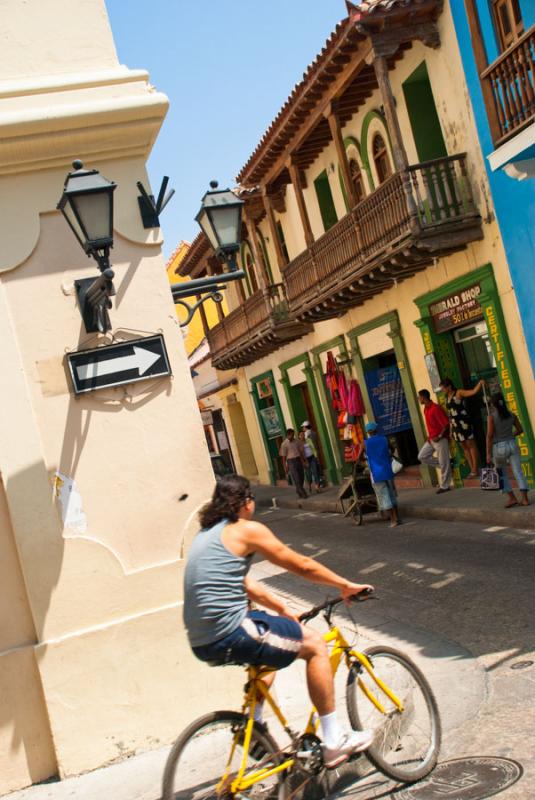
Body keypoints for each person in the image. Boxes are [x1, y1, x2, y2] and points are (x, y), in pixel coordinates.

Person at [183, 474, 375, 768]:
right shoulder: (245, 529)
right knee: (314, 645)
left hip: (201, 640)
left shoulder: (206, 534)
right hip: (231, 630)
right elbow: (300, 564)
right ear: (245, 502)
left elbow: (246, 584)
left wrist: (282, 610)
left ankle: (254, 726)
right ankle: (334, 741)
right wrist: (343, 585)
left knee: (270, 642)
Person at [486, 392, 529, 508]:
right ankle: (525, 499)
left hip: (499, 448)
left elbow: (489, 435)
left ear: (493, 405)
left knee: (501, 474)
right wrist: (511, 435)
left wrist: (488, 453)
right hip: (512, 444)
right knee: (518, 472)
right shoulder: (511, 415)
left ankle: (512, 498)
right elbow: (520, 430)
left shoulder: (491, 417)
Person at [356, 421, 401, 527]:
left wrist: (366, 458)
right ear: (376, 430)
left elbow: (359, 458)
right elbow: (392, 449)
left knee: (384, 496)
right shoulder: (384, 439)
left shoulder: (365, 443)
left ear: (368, 432)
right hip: (388, 470)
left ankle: (393, 520)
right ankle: (397, 517)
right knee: (391, 494)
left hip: (376, 473)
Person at [439, 377, 484, 477]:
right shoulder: (446, 398)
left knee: (471, 445)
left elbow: (472, 392)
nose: (442, 390)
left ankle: (475, 468)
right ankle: (472, 468)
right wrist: (451, 430)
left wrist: (479, 383)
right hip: (455, 425)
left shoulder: (458, 392)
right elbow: (450, 414)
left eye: (443, 388)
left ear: (449, 387)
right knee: (464, 447)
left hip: (463, 423)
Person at [418, 389, 452, 494]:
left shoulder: (435, 408)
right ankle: (445, 464)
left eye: (419, 397)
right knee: (422, 456)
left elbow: (446, 424)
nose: (419, 399)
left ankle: (445, 486)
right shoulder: (425, 409)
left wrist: (440, 435)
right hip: (431, 439)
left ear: (423, 397)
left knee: (444, 462)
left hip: (440, 439)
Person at [280, 428, 308, 498]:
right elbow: (283, 457)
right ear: (287, 435)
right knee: (296, 477)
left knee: (301, 476)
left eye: (293, 435)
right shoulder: (284, 444)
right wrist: (285, 466)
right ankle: (303, 492)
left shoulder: (297, 442)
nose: (292, 437)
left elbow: (301, 452)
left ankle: (298, 489)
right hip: (291, 461)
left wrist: (304, 461)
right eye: (291, 435)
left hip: (298, 459)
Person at [299, 429, 321, 493]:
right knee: (308, 474)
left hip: (312, 457)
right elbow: (300, 453)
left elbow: (313, 448)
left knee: (315, 471)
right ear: (299, 436)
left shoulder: (308, 440)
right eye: (301, 435)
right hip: (305, 460)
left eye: (303, 434)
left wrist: (316, 456)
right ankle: (309, 485)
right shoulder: (299, 443)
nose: (302, 436)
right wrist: (303, 462)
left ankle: (317, 486)